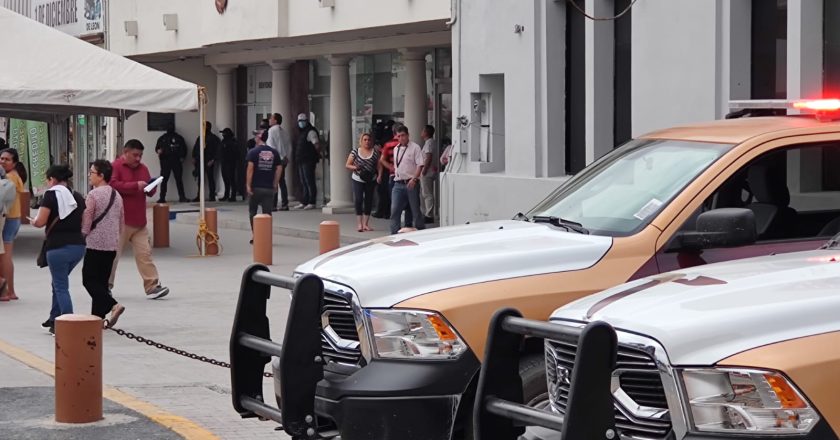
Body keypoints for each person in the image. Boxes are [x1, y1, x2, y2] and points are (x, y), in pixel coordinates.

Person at [28, 165, 86, 335]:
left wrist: (32, 221)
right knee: (58, 282)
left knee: (61, 286)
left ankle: (67, 322)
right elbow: (83, 221)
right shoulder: (77, 196)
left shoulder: (50, 195)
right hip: (78, 246)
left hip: (57, 248)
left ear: (52, 179)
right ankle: (54, 318)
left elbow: (40, 222)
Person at [110, 139, 170, 299]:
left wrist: (152, 186)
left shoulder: (143, 168)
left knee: (145, 254)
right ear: (126, 153)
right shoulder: (115, 167)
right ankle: (106, 286)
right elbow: (112, 185)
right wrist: (134, 186)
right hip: (120, 221)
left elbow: (148, 192)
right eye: (135, 155)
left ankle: (152, 286)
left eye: (140, 156)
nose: (138, 159)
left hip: (139, 222)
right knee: (112, 257)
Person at [81, 160, 126, 327]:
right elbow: (122, 220)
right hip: (112, 245)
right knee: (101, 282)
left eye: (92, 172)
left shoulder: (93, 195)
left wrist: (83, 234)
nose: (89, 176)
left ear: (101, 176)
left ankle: (113, 305)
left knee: (89, 280)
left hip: (95, 243)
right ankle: (97, 319)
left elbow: (87, 217)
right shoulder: (117, 195)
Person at [245, 127, 281, 243]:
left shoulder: (253, 152)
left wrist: (248, 185)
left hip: (256, 187)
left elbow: (250, 169)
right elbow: (279, 168)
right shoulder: (274, 152)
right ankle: (266, 237)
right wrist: (275, 183)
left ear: (259, 137)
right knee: (267, 214)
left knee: (252, 212)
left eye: (256, 136)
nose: (254, 138)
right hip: (268, 188)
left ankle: (256, 236)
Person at [0, 148, 26, 301]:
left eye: (7, 159)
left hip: (9, 219)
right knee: (6, 256)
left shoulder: (9, 177)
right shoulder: (14, 176)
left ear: (14, 162)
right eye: (1, 158)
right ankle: (10, 290)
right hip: (14, 219)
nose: (2, 161)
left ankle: (8, 290)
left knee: (5, 257)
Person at [389, 126, 426, 234]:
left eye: (403, 135)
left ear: (408, 135)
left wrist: (415, 179)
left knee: (415, 210)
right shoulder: (396, 149)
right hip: (398, 183)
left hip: (411, 182)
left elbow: (420, 165)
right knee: (395, 210)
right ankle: (394, 234)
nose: (401, 138)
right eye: (399, 136)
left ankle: (422, 232)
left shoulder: (415, 147)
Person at [379, 123, 413, 228]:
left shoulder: (388, 144)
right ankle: (407, 225)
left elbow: (382, 159)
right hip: (408, 176)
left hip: (393, 176)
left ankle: (395, 228)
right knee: (410, 204)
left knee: (395, 205)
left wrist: (390, 167)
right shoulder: (409, 145)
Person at [346, 133, 381, 232]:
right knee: (358, 199)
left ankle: (366, 224)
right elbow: (348, 164)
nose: (367, 142)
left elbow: (379, 165)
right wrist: (355, 167)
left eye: (369, 140)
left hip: (371, 179)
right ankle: (359, 224)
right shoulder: (355, 152)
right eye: (365, 140)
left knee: (368, 200)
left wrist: (379, 175)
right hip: (358, 178)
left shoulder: (375, 152)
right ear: (361, 141)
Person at [293, 113, 320, 210]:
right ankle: (304, 201)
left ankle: (311, 201)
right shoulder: (302, 132)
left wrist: (315, 155)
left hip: (308, 160)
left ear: (306, 121)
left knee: (309, 181)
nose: (301, 123)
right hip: (301, 160)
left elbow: (316, 145)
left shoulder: (310, 132)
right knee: (303, 181)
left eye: (302, 121)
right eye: (299, 121)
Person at [154, 124, 188, 203]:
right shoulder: (163, 138)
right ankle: (162, 198)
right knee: (165, 180)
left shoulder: (178, 138)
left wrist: (182, 157)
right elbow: (157, 148)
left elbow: (184, 149)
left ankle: (182, 197)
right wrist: (159, 151)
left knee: (178, 180)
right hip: (166, 161)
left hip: (175, 161)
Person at [266, 113, 291, 211]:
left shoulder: (272, 130)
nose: (269, 119)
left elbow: (274, 145)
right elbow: (288, 145)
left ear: (275, 120)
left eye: (271, 118)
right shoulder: (283, 131)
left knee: (274, 181)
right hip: (282, 159)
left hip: (276, 159)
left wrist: (280, 156)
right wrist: (286, 156)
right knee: (282, 181)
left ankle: (273, 204)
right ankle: (285, 203)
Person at [192, 121, 221, 202]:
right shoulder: (200, 138)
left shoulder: (214, 138)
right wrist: (194, 157)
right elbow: (195, 148)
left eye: (205, 127)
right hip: (200, 161)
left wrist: (213, 160)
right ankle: (199, 196)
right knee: (200, 180)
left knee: (210, 179)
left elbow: (218, 150)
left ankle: (212, 196)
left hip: (208, 161)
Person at [419, 125, 437, 224]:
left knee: (427, 193)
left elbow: (428, 157)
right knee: (426, 193)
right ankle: (427, 213)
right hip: (431, 171)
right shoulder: (430, 142)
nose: (421, 132)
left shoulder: (429, 143)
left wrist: (424, 169)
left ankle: (428, 215)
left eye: (423, 130)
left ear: (426, 132)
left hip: (427, 172)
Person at [219, 128, 241, 202]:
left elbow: (236, 153)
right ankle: (226, 195)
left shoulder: (233, 142)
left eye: (224, 133)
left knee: (231, 179)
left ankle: (233, 195)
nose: (223, 135)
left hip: (230, 163)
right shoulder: (223, 141)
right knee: (225, 179)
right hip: (224, 162)